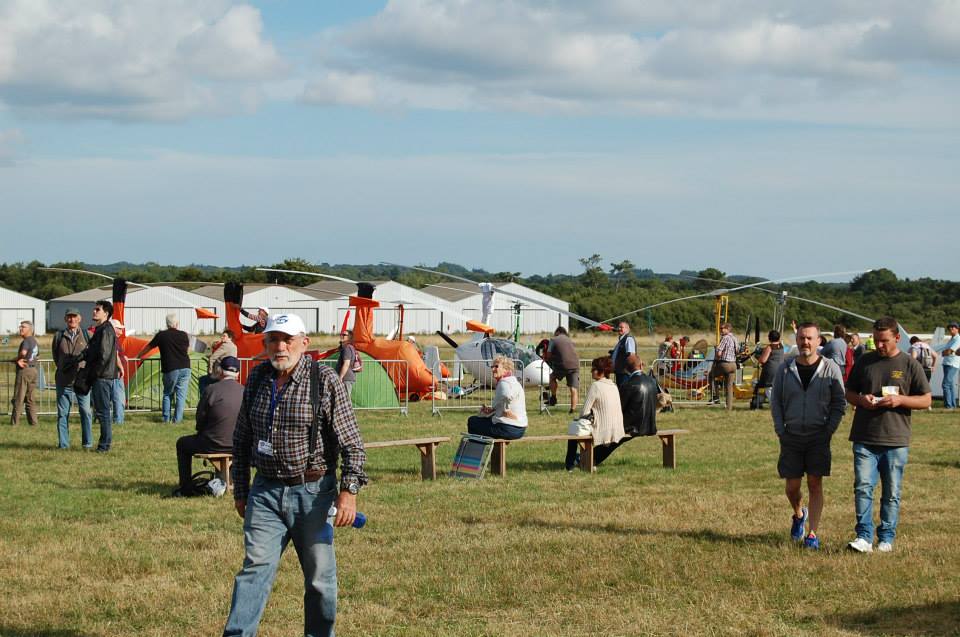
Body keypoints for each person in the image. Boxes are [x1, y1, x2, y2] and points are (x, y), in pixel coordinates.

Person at [224, 313, 366, 636]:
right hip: (265, 494)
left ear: (304, 343)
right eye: (273, 339)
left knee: (320, 581)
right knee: (254, 570)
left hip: (314, 495)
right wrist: (241, 491)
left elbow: (352, 443)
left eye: (287, 339)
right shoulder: (258, 379)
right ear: (265, 344)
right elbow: (242, 438)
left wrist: (349, 491)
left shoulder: (325, 381)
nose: (280, 346)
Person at [844, 316, 931, 553]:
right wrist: (861, 399)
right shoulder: (864, 361)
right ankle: (863, 536)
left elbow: (926, 399)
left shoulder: (909, 364)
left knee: (892, 492)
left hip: (896, 439)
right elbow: (849, 392)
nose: (879, 345)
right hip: (864, 437)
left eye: (884, 341)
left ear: (897, 338)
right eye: (875, 340)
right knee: (863, 487)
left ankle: (886, 538)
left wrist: (900, 399)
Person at [770, 323, 846, 550]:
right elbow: (776, 402)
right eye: (802, 338)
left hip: (818, 436)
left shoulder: (830, 368)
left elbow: (839, 402)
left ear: (819, 341)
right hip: (791, 435)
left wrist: (829, 429)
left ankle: (812, 534)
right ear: (797, 339)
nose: (805, 342)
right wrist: (780, 429)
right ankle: (798, 514)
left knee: (815, 483)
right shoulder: (785, 368)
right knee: (792, 487)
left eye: (810, 338)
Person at [174, 356, 243, 497]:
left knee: (182, 443)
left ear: (220, 371)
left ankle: (186, 487)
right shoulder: (245, 391)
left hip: (212, 443)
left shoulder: (211, 389)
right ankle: (234, 482)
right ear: (238, 374)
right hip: (239, 445)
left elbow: (200, 419)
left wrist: (202, 430)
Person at [580, 354, 658, 468]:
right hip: (650, 425)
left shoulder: (628, 385)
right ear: (641, 365)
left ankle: (590, 458)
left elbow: (618, 408)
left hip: (633, 427)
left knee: (612, 438)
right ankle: (591, 458)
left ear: (626, 369)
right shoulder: (652, 381)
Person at [564, 356, 624, 470]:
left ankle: (569, 465)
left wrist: (580, 418)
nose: (591, 371)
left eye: (593, 369)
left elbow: (584, 412)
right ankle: (584, 460)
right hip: (617, 429)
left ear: (601, 371)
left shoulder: (596, 386)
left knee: (573, 431)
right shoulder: (614, 385)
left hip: (603, 429)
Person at [81, 300, 122, 453]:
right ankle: (104, 444)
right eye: (94, 309)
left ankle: (104, 446)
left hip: (102, 377)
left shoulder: (106, 330)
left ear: (106, 313)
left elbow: (104, 356)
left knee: (103, 412)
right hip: (102, 376)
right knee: (102, 411)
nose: (94, 312)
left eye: (97, 310)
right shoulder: (101, 329)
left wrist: (94, 374)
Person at [137, 313, 191, 423]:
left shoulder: (162, 335)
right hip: (185, 366)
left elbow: (149, 346)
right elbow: (187, 350)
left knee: (168, 393)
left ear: (167, 324)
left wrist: (139, 355)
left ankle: (166, 419)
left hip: (171, 367)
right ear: (177, 323)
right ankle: (177, 420)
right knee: (181, 396)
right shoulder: (184, 335)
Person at [52, 308, 93, 448]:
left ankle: (87, 444)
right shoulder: (58, 336)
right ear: (65, 319)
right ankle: (63, 444)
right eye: (69, 317)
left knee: (86, 412)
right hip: (64, 381)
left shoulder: (88, 335)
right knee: (62, 414)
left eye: (74, 317)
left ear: (80, 318)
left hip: (82, 382)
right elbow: (56, 357)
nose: (72, 319)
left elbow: (93, 355)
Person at [467, 355, 527, 440]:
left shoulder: (504, 383)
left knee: (472, 421)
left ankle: (478, 451)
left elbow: (506, 395)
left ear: (506, 369)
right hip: (520, 429)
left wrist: (507, 410)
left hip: (507, 428)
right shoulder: (514, 382)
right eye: (492, 367)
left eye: (496, 366)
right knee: (482, 421)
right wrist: (492, 410)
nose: (492, 369)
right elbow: (504, 401)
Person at [10, 320, 40, 427]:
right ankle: (33, 423)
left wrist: (16, 359)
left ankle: (14, 423)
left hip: (25, 370)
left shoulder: (27, 340)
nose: (21, 328)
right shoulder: (34, 341)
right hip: (34, 370)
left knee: (19, 397)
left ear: (30, 329)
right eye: (20, 326)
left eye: (23, 327)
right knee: (30, 399)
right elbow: (37, 356)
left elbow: (23, 353)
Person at [547, 326, 580, 412]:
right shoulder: (570, 340)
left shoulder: (553, 340)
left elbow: (548, 355)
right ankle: (572, 410)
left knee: (552, 377)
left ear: (557, 332)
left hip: (562, 365)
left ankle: (553, 398)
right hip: (575, 365)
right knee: (573, 389)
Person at [752, 330, 785, 410]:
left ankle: (774, 405)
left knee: (768, 387)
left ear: (769, 338)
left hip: (770, 370)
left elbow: (763, 360)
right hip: (780, 369)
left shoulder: (769, 347)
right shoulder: (781, 346)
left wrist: (758, 356)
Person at [199, 329, 238, 397]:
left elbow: (212, 358)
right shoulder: (235, 347)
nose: (222, 337)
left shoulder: (225, 346)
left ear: (230, 338)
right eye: (222, 336)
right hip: (232, 374)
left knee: (202, 380)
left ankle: (204, 400)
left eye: (224, 336)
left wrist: (210, 372)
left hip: (220, 373)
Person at [711, 322, 738, 409]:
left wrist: (716, 357)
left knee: (711, 376)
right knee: (729, 387)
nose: (721, 330)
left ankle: (715, 396)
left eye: (722, 328)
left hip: (724, 364)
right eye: (720, 328)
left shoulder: (724, 338)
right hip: (733, 365)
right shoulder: (734, 338)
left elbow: (719, 353)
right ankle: (729, 407)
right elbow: (737, 351)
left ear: (728, 329)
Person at [934, 321, 959, 409]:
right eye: (950, 327)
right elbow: (945, 352)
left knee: (945, 384)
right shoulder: (951, 339)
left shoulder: (958, 338)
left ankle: (948, 406)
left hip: (952, 363)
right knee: (950, 385)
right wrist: (946, 352)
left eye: (953, 327)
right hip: (947, 363)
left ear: (957, 329)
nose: (951, 328)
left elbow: (949, 351)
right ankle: (952, 405)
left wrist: (947, 352)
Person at [610, 321, 637, 385]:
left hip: (625, 373)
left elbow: (631, 355)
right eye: (619, 327)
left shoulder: (628, 339)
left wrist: (627, 370)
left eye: (621, 327)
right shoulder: (622, 339)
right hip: (620, 371)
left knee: (624, 392)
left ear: (628, 329)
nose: (619, 329)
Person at [337, 329, 357, 397]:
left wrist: (340, 377)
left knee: (346, 400)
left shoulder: (347, 348)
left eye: (344, 335)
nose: (342, 336)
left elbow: (346, 364)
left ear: (349, 337)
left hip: (346, 378)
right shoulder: (348, 347)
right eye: (341, 334)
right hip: (347, 378)